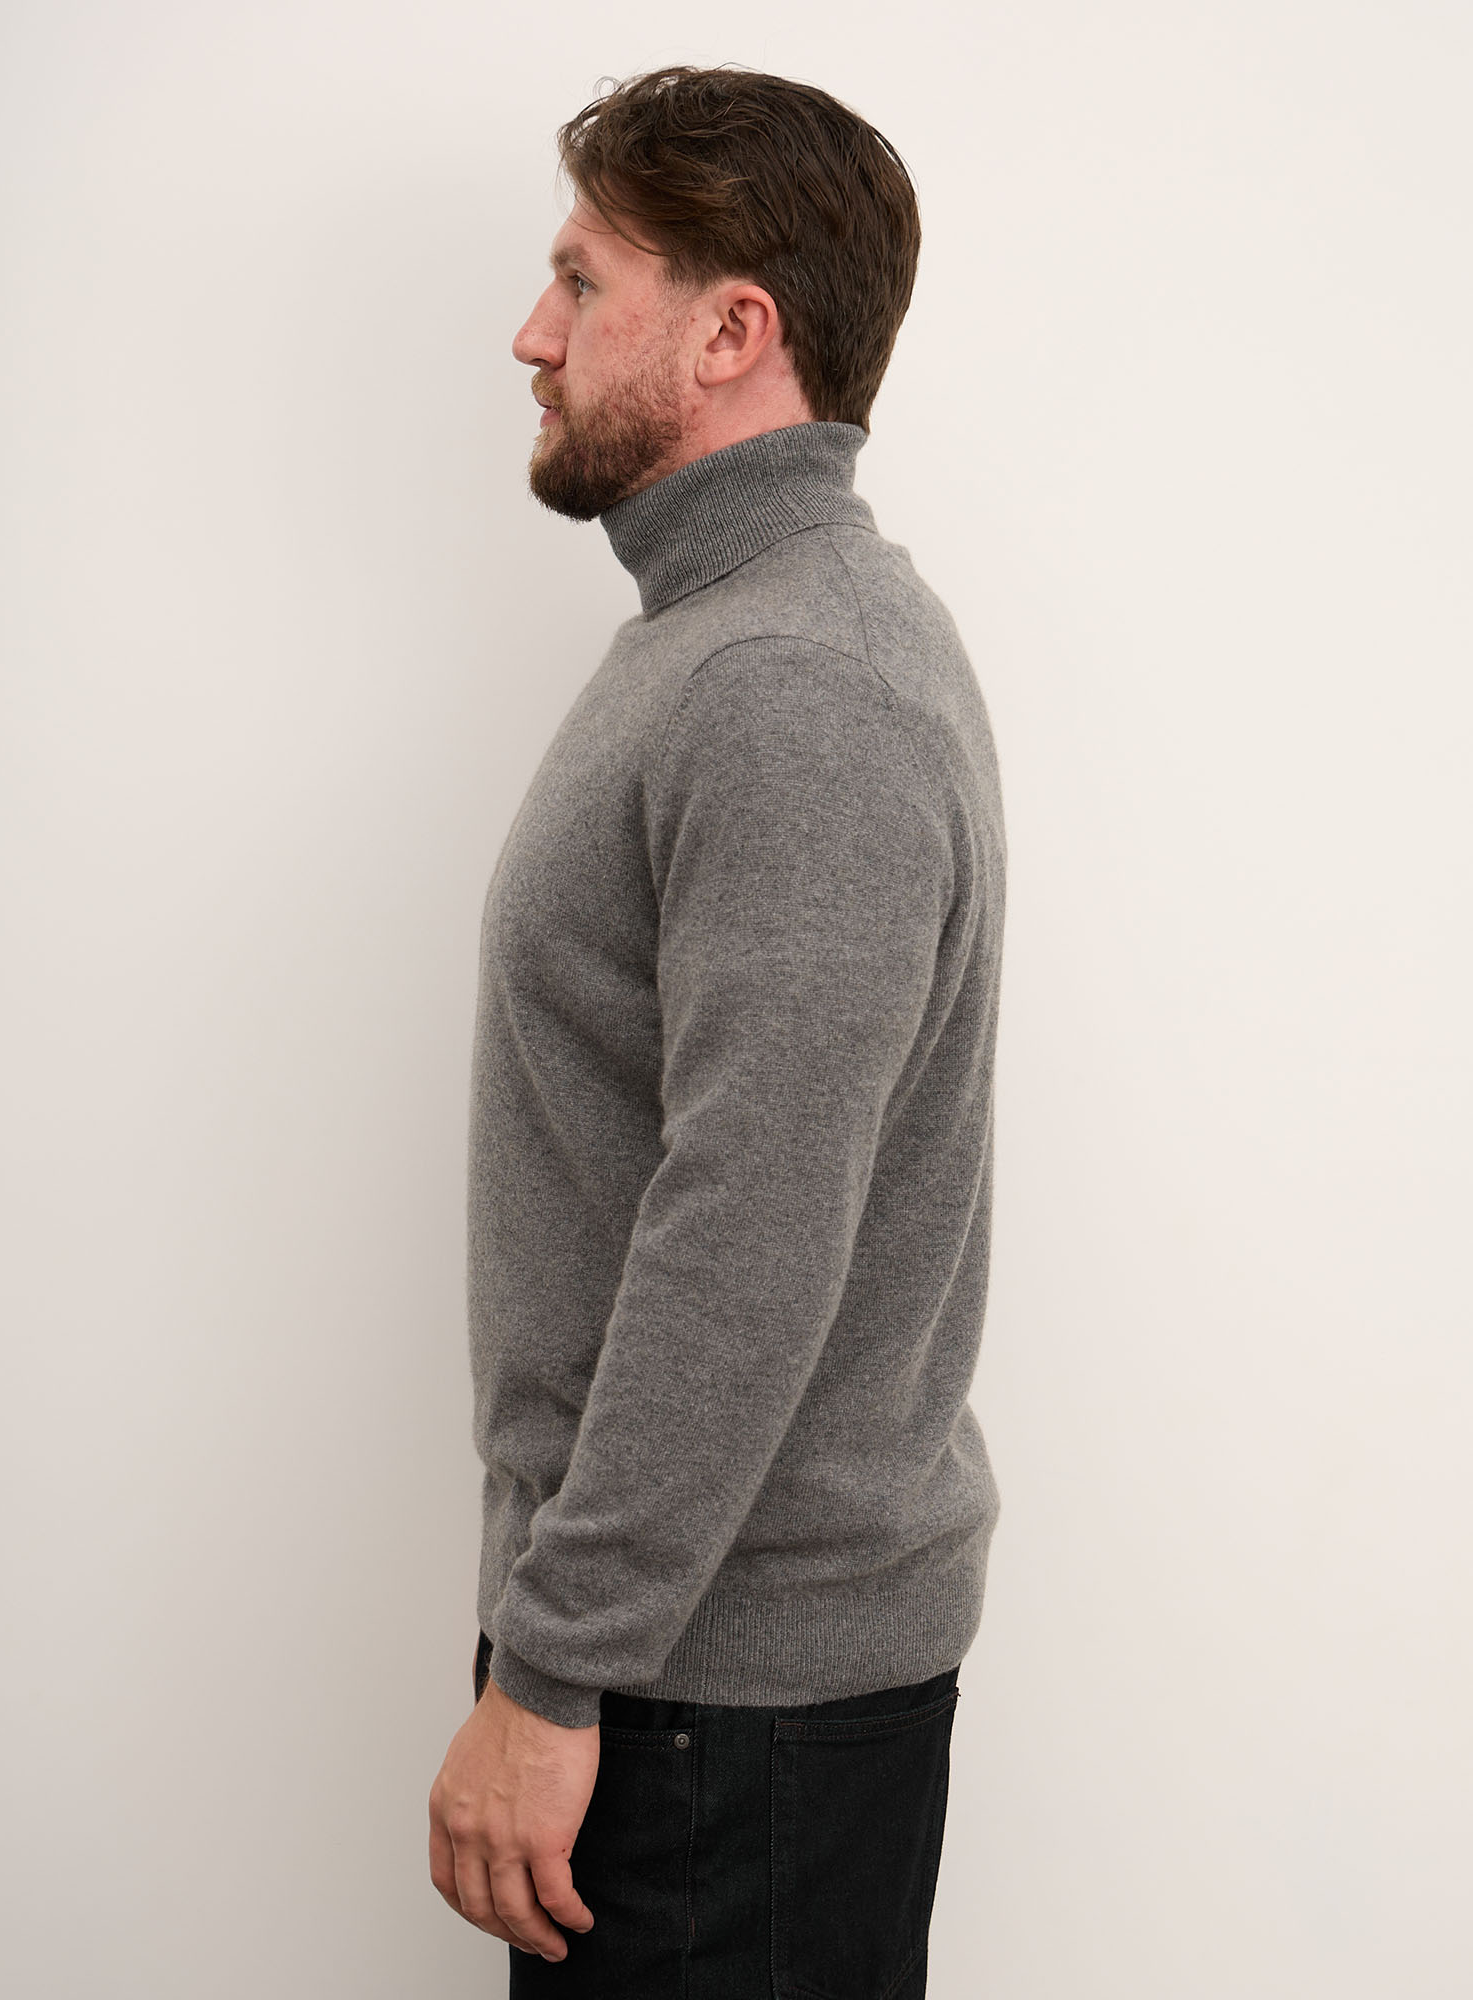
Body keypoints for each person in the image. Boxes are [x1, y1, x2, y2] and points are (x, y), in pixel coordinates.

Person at [428, 63, 1007, 1997]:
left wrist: (553, 1669)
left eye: (583, 280)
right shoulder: (738, 633)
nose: (535, 332)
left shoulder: (788, 682)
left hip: (710, 1714)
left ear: (731, 331)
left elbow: (751, 1229)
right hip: (693, 1688)